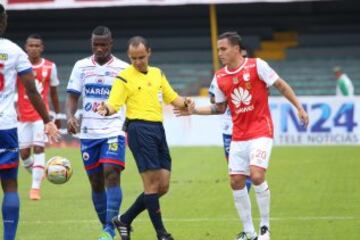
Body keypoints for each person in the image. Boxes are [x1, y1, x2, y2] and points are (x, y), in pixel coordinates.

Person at [175, 32, 309, 240]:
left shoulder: (257, 66)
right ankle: (249, 233)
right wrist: (194, 110)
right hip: (238, 135)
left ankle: (265, 228)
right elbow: (219, 108)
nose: (219, 53)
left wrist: (299, 107)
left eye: (223, 49)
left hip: (261, 130)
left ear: (236, 49)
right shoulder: (219, 77)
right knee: (236, 181)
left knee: (256, 175)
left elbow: (281, 85)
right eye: (218, 49)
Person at [96, 36, 194, 240]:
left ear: (149, 52)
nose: (138, 61)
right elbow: (113, 103)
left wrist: (187, 103)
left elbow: (173, 98)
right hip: (138, 130)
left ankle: (124, 219)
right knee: (151, 185)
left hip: (158, 129)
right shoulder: (123, 77)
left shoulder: (158, 73)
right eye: (133, 58)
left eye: (141, 57)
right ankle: (161, 234)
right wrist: (104, 109)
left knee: (163, 185)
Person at [0, 4, 60, 240]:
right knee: (10, 186)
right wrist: (48, 120)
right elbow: (32, 91)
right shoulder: (14, 51)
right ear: (3, 22)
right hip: (5, 125)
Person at [66, 26, 128, 240]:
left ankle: (109, 230)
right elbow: (73, 95)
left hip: (114, 128)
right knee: (95, 181)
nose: (99, 48)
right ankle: (108, 226)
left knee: (111, 172)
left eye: (104, 44)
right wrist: (70, 116)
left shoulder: (123, 68)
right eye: (96, 45)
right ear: (91, 44)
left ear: (111, 44)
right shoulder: (81, 66)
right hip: (88, 132)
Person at [17, 33, 62, 200]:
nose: (34, 49)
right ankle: (38, 172)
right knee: (24, 154)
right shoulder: (18, 67)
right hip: (22, 115)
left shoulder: (50, 67)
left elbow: (55, 93)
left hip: (40, 116)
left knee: (38, 147)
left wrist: (56, 115)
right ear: (26, 48)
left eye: (37, 46)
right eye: (31, 46)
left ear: (42, 48)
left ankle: (35, 188)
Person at [208, 46, 252, 192]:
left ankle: (249, 201)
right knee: (236, 174)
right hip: (229, 128)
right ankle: (245, 202)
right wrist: (224, 95)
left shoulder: (251, 73)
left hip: (250, 127)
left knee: (252, 171)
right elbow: (212, 98)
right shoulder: (220, 76)